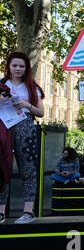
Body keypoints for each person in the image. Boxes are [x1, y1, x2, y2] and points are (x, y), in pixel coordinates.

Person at [0, 52, 45, 224]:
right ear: (9, 67)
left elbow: (40, 112)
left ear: (26, 68)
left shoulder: (32, 87)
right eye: (14, 65)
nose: (18, 69)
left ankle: (28, 211)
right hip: (3, 126)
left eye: (21, 66)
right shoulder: (2, 84)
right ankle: (1, 212)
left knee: (28, 168)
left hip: (25, 126)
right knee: (2, 167)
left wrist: (26, 104)